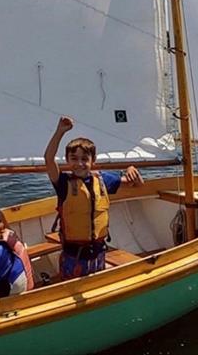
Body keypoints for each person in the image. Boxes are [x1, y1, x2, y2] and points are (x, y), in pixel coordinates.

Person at [44, 116, 143, 280]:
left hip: (99, 253)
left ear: (93, 161)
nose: (79, 163)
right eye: (74, 158)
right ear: (67, 160)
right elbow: (48, 158)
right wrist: (60, 132)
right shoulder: (62, 183)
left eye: (85, 159)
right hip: (73, 257)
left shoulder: (104, 179)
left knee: (97, 288)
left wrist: (132, 170)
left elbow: (136, 184)